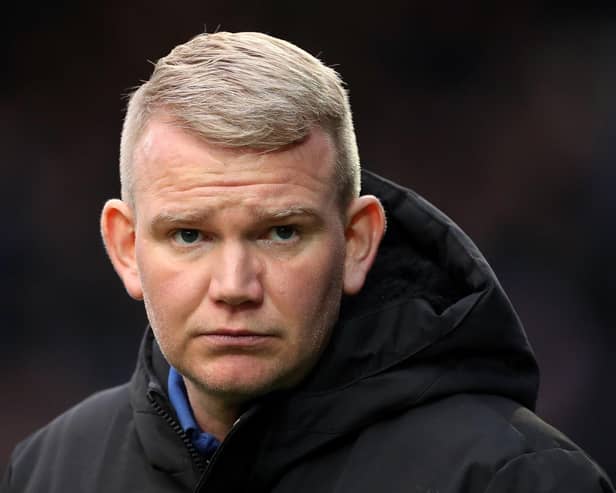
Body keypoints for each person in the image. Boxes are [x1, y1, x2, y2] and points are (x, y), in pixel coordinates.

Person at [2, 31, 613, 493]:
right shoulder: (49, 469)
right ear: (126, 248)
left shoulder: (512, 479)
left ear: (357, 242)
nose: (235, 287)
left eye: (281, 233)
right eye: (189, 235)